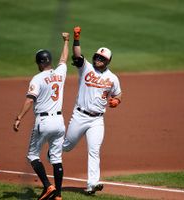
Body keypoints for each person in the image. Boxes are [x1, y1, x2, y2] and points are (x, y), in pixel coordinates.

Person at [62, 26, 122, 195]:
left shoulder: (112, 78)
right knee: (67, 147)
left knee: (94, 151)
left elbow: (119, 93)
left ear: (108, 61)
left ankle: (92, 185)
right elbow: (77, 55)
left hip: (97, 120)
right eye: (97, 56)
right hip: (79, 116)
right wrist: (76, 38)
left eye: (102, 58)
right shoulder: (86, 68)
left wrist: (117, 100)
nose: (98, 59)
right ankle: (53, 150)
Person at [13, 32, 70, 200]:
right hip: (59, 122)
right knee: (56, 158)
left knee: (32, 155)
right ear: (49, 61)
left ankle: (48, 186)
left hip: (43, 122)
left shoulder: (37, 78)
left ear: (39, 63)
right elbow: (64, 59)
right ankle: (58, 195)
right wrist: (66, 40)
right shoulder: (61, 72)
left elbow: (30, 100)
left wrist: (18, 117)